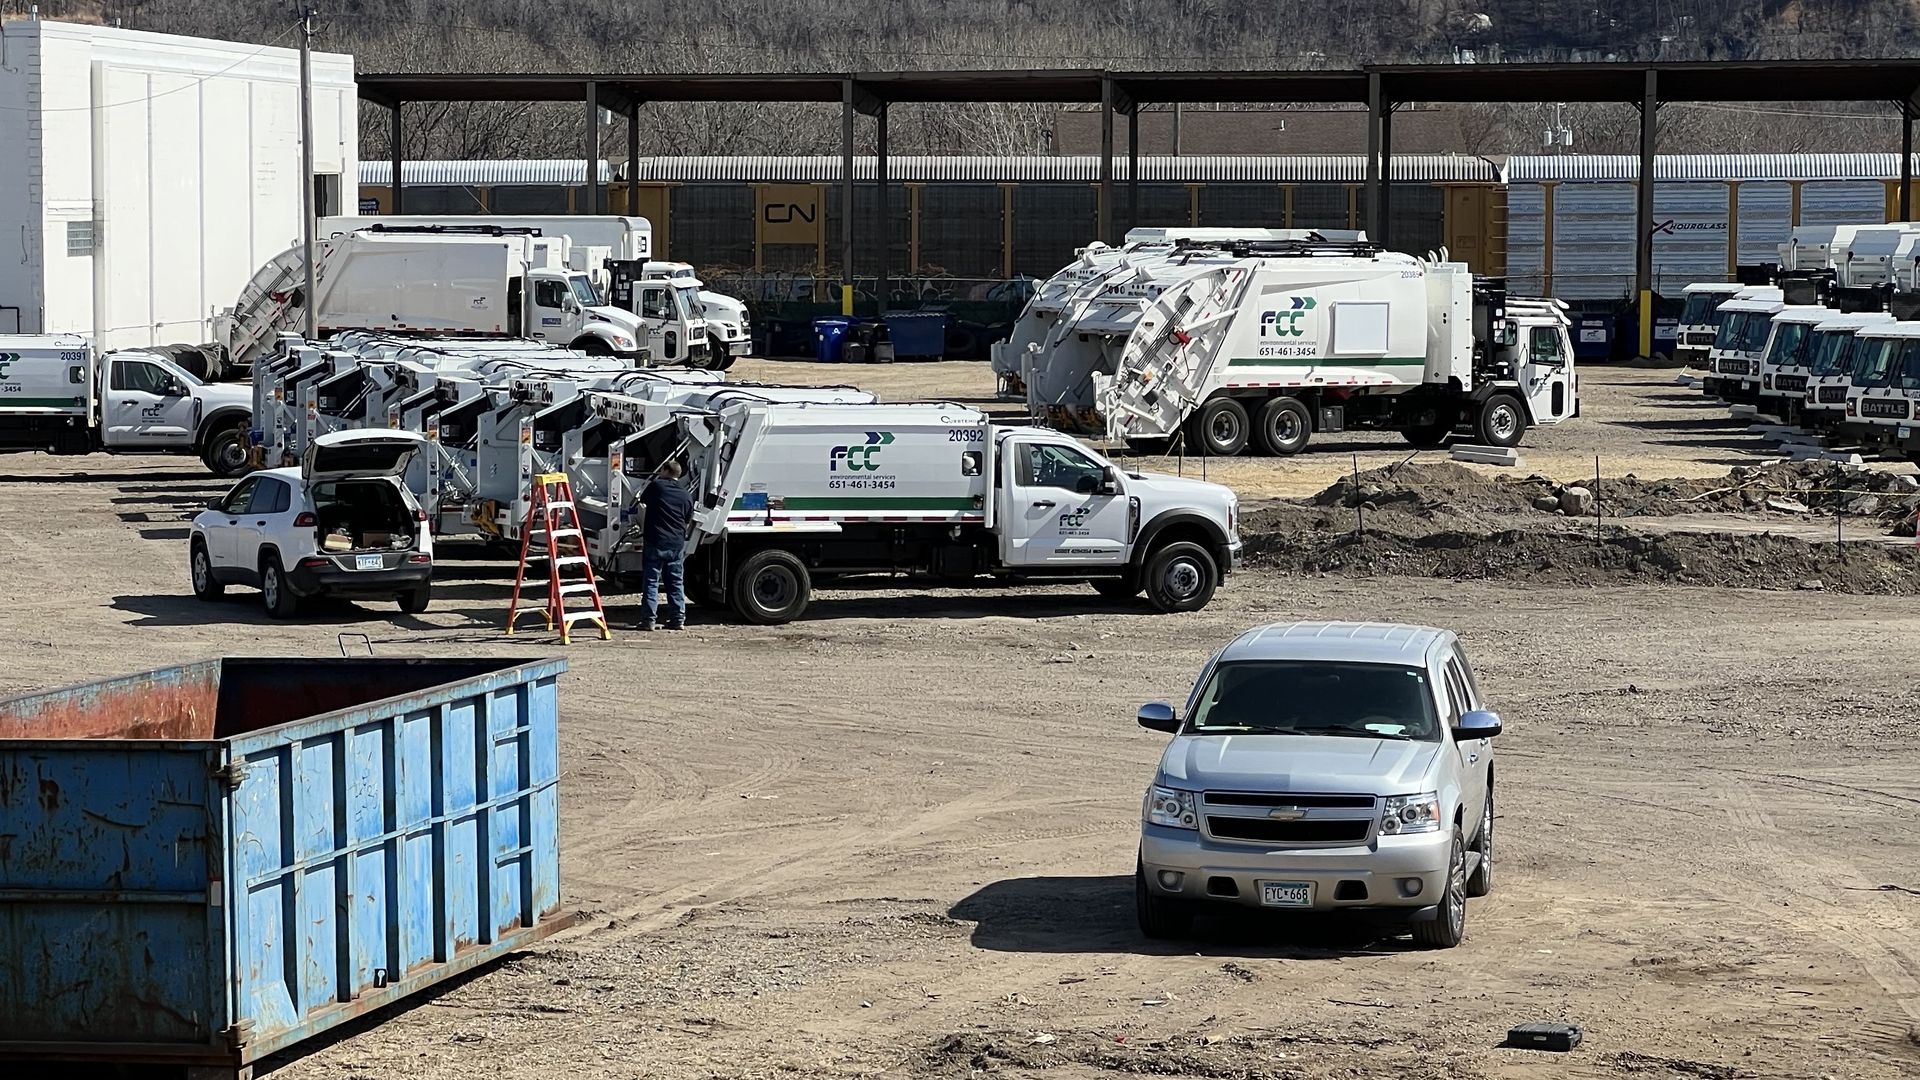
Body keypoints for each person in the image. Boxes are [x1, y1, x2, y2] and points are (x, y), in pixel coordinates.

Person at [637, 458, 694, 630]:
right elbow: (687, 519)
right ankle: (678, 619)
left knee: (651, 581)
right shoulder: (686, 495)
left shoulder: (657, 486)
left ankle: (648, 620)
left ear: (666, 471)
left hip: (656, 541)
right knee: (676, 581)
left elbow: (642, 500)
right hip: (676, 543)